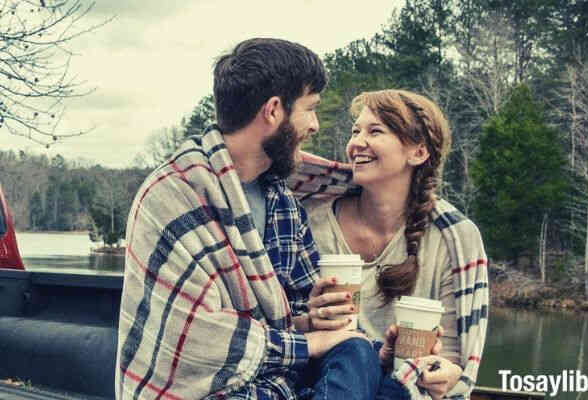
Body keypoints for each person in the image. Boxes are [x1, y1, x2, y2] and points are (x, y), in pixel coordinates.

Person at [115, 38, 381, 400]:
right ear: (273, 110)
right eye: (310, 108)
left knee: (361, 352)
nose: (315, 125)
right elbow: (193, 339)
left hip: (278, 383)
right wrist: (311, 343)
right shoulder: (172, 196)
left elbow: (297, 310)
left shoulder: (282, 200)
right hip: (209, 392)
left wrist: (315, 314)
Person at [304, 89, 489, 399]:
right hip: (321, 379)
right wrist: (311, 318)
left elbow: (452, 361)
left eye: (375, 131)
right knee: (356, 354)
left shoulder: (455, 238)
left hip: (402, 386)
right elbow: (279, 330)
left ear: (418, 152)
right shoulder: (310, 219)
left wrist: (445, 372)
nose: (356, 143)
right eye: (355, 131)